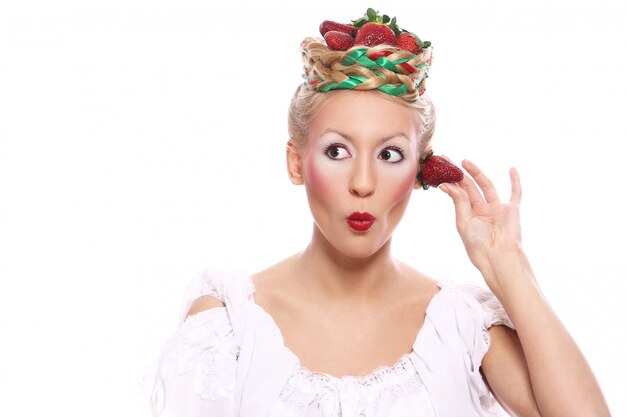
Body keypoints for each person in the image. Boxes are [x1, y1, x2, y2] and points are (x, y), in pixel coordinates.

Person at [142, 8, 611, 417]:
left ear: (421, 169)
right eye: (337, 151)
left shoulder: (462, 325)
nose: (363, 183)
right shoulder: (230, 326)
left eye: (389, 155)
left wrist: (507, 266)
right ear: (295, 163)